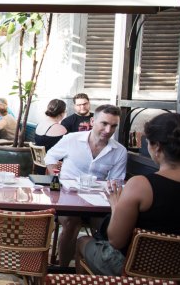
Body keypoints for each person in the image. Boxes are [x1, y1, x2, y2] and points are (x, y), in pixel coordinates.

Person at [76, 113, 180, 276]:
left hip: (137, 271)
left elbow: (116, 241)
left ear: (157, 147)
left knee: (83, 242)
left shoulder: (141, 185)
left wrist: (116, 208)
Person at [44, 104, 127, 267]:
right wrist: (54, 173)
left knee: (104, 227)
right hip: (68, 196)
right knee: (71, 223)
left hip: (97, 200)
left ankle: (94, 270)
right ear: (93, 120)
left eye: (114, 126)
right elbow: (50, 156)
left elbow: (117, 182)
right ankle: (63, 270)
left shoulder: (120, 151)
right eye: (104, 123)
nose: (108, 129)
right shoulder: (72, 139)